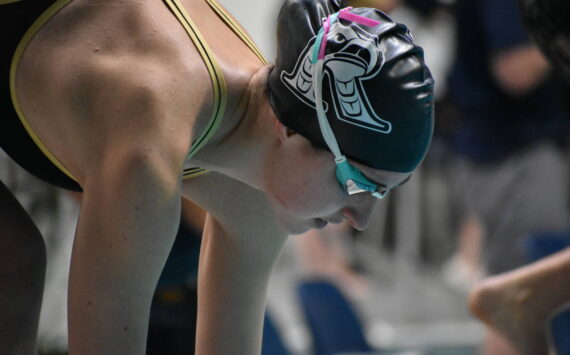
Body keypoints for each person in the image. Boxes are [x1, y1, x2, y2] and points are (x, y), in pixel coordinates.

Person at [0, 0, 434, 354]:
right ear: (292, 132)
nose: (361, 218)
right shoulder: (148, 142)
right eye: (358, 183)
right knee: (13, 259)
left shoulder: (260, 183)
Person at [466, 1, 570, 354]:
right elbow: (515, 69)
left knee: (521, 305)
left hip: (525, 152)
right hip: (516, 155)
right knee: (518, 306)